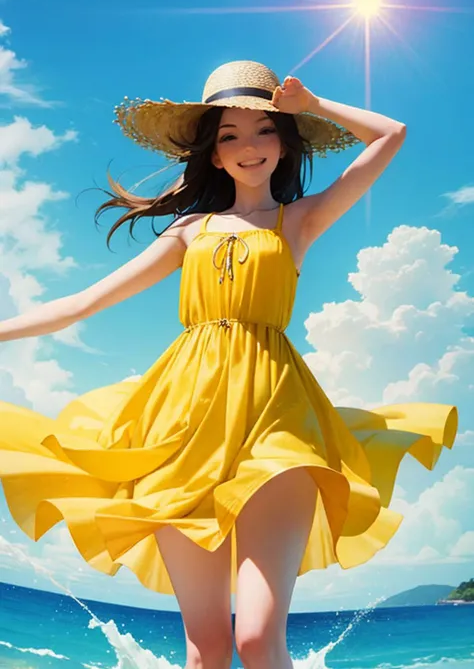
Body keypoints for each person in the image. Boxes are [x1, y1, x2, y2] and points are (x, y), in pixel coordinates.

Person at [0, 61, 458, 669]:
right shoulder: (191, 230)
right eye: (230, 136)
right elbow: (82, 303)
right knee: (207, 647)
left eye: (264, 130)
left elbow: (391, 134)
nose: (248, 146)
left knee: (256, 639)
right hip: (181, 430)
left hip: (278, 422)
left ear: (285, 142)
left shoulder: (300, 219)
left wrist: (313, 102)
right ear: (213, 156)